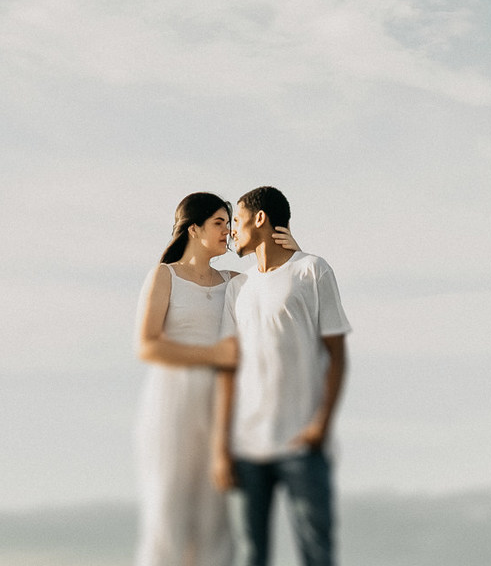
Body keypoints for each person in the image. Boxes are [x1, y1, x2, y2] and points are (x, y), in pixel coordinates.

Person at [134, 193, 298, 566]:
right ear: (194, 228)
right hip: (172, 400)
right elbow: (147, 345)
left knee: (214, 516)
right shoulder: (165, 275)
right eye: (219, 223)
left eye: (230, 222)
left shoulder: (236, 282)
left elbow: (283, 292)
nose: (229, 230)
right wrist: (212, 355)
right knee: (169, 509)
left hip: (222, 404)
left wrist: (295, 255)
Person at [211, 187, 349, 566]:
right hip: (248, 446)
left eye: (236, 221)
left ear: (260, 219)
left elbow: (336, 355)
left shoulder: (312, 269)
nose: (232, 232)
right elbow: (228, 368)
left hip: (302, 444)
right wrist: (221, 447)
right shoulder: (237, 288)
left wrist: (321, 424)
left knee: (317, 554)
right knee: (253, 556)